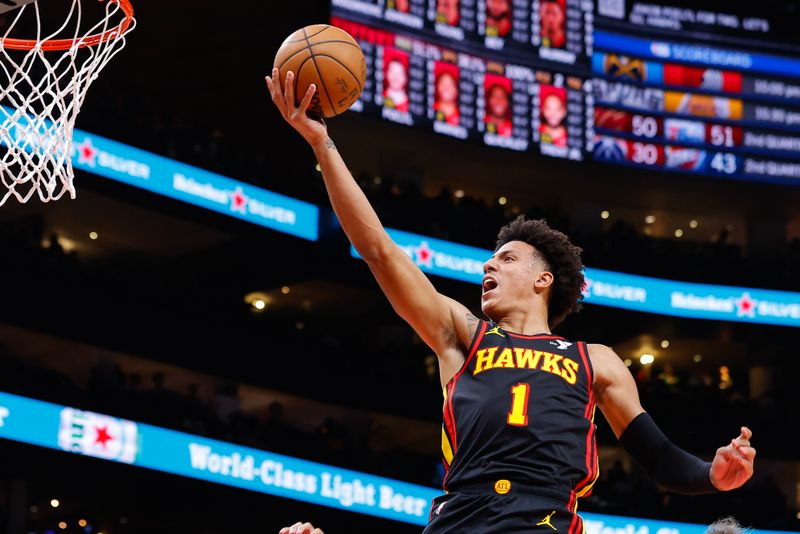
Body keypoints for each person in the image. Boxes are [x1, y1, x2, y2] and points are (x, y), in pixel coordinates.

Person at [266, 69, 755, 533]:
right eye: (489, 260)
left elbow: (660, 457)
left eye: (505, 258)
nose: (487, 267)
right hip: (461, 517)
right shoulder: (461, 334)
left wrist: (713, 474)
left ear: (543, 278)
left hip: (543, 518)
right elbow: (378, 251)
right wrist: (321, 143)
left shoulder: (596, 362)